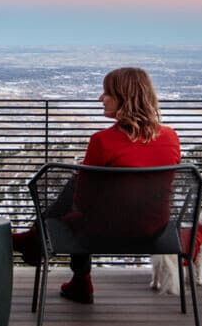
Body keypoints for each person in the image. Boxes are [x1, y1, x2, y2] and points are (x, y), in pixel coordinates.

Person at [11, 66, 180, 304]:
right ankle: (35, 242)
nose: (101, 98)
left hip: (105, 233)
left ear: (125, 98)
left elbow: (83, 201)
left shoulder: (102, 141)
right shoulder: (171, 137)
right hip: (154, 230)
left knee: (75, 190)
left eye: (107, 93)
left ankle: (43, 248)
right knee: (80, 188)